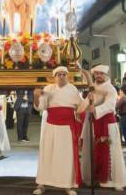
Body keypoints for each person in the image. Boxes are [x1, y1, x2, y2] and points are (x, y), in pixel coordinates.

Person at [33, 66, 87, 195]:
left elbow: (80, 107)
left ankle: (68, 185)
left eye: (64, 74)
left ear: (67, 76)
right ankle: (41, 184)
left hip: (67, 128)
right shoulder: (48, 88)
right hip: (50, 127)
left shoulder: (73, 89)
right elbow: (40, 107)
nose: (61, 76)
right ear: (54, 77)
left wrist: (89, 100)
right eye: (59, 74)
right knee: (47, 154)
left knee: (66, 157)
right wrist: (35, 96)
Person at [80, 65, 126, 191]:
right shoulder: (93, 88)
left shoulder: (111, 89)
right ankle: (94, 178)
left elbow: (110, 105)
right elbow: (84, 104)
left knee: (112, 151)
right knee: (92, 150)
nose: (98, 76)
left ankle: (115, 181)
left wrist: (95, 109)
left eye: (101, 73)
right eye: (96, 73)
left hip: (107, 124)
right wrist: (83, 105)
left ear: (106, 75)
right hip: (92, 123)